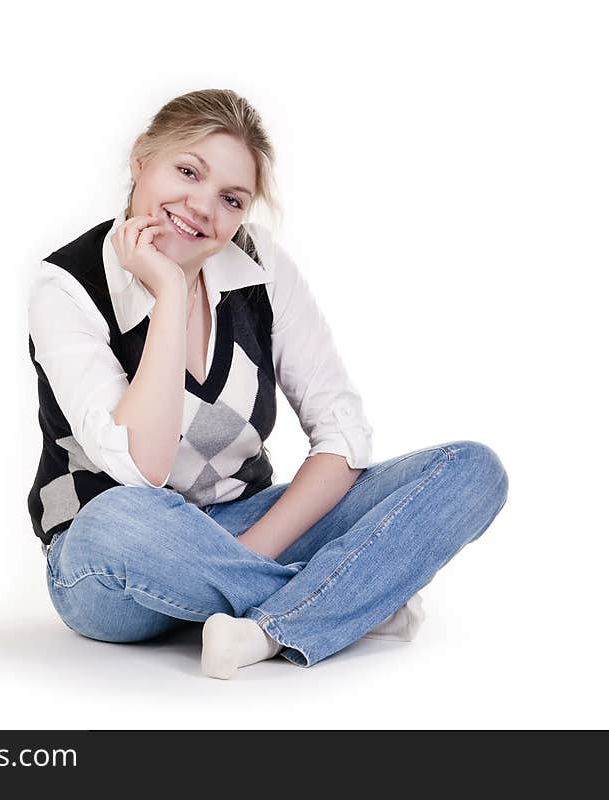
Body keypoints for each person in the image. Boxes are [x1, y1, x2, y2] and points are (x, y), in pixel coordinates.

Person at [27, 88, 509, 679]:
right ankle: (343, 602)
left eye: (231, 199)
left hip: (245, 525)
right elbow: (143, 466)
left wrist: (244, 553)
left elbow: (342, 435)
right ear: (140, 161)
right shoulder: (67, 287)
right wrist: (171, 292)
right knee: (117, 517)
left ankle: (264, 622)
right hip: (111, 565)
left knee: (471, 470)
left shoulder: (259, 265)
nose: (204, 208)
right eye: (187, 172)